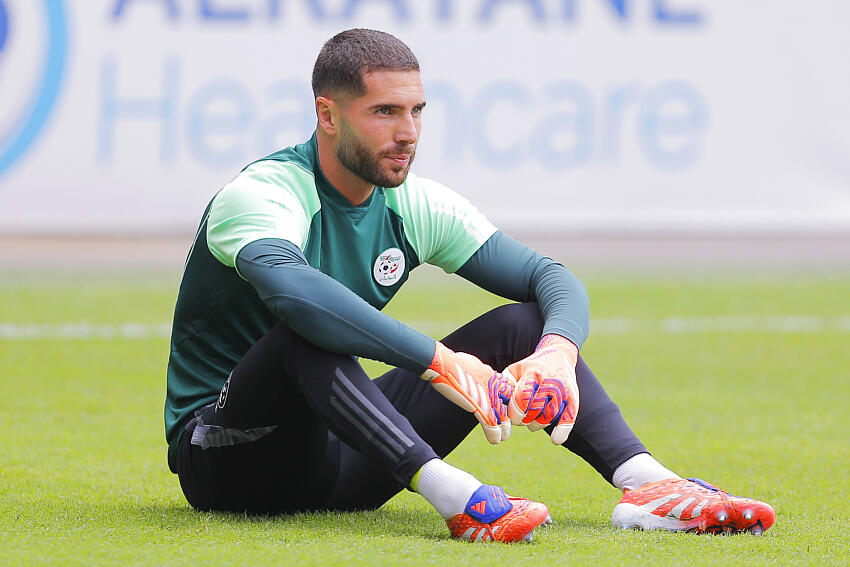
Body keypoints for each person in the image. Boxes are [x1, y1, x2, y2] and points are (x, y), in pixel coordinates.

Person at [164, 28, 775, 543]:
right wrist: (437, 361)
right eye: (385, 112)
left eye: (416, 111)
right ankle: (458, 498)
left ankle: (649, 485)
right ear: (327, 114)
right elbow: (299, 298)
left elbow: (551, 278)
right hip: (228, 459)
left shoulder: (414, 206)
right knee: (304, 332)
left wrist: (558, 351)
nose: (408, 132)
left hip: (346, 460)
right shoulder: (265, 192)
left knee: (524, 323)